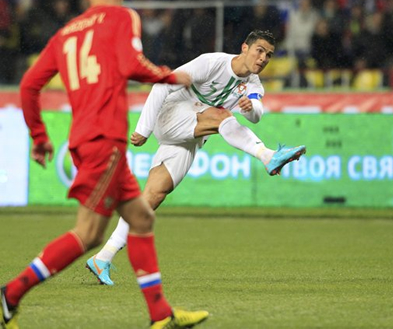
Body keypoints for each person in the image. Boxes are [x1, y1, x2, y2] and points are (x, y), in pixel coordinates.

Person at [1, 0, 208, 329]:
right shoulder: (122, 16)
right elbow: (131, 63)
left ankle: (161, 316)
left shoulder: (66, 33)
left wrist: (39, 137)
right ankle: (10, 295)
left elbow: (29, 85)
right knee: (88, 234)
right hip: (104, 140)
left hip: (85, 138)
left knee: (141, 218)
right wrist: (168, 75)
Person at [85, 29, 306, 286]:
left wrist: (250, 108)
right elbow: (163, 84)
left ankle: (103, 257)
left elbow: (256, 113)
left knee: (154, 195)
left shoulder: (254, 84)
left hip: (191, 133)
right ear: (244, 47)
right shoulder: (212, 63)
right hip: (172, 115)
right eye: (259, 50)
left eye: (268, 55)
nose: (263, 58)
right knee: (222, 116)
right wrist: (143, 129)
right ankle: (268, 156)